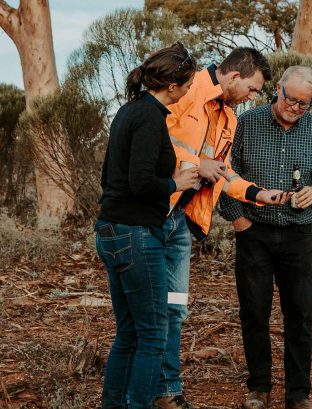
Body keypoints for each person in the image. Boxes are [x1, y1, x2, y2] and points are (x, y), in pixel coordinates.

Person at [154, 48, 289, 409]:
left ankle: (167, 390)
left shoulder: (229, 117)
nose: (254, 98)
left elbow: (224, 172)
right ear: (233, 77)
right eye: (254, 88)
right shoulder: (187, 88)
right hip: (151, 216)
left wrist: (259, 194)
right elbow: (153, 140)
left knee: (175, 308)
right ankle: (142, 389)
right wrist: (199, 163)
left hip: (181, 222)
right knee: (149, 308)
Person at [219, 65, 312, 409]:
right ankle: (259, 387)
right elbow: (222, 172)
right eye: (291, 100)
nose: (295, 108)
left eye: (304, 104)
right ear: (278, 89)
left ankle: (298, 394)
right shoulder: (246, 123)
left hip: (297, 235)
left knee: (299, 313)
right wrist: (238, 221)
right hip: (254, 232)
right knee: (254, 313)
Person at [94, 42, 199, 409]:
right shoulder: (151, 117)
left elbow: (112, 176)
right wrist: (177, 184)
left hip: (112, 231)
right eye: (187, 85)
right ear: (172, 85)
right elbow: (140, 182)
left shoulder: (128, 111)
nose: (189, 90)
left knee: (130, 333)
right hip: (137, 235)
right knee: (153, 334)